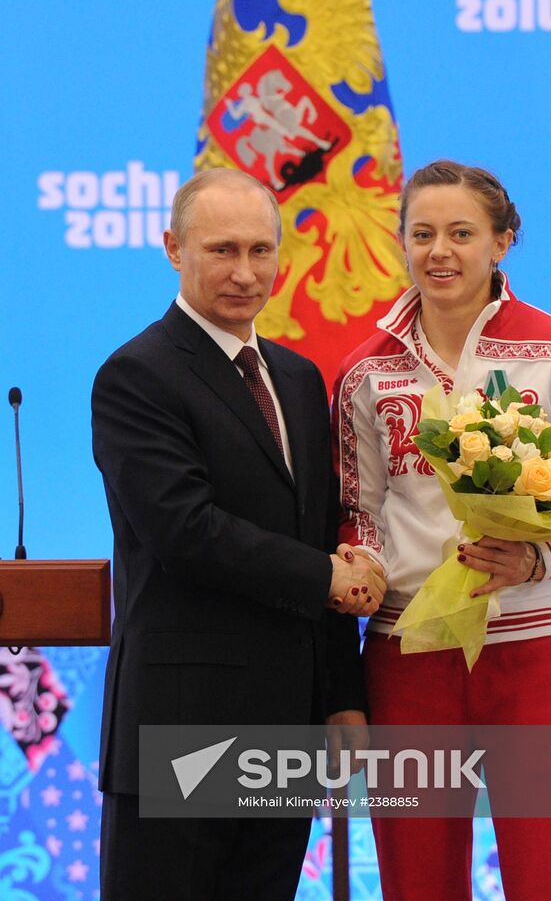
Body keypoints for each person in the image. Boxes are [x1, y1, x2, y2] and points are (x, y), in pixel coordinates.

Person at [332, 160, 551, 901]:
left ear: (501, 242)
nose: (439, 251)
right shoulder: (363, 373)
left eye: (461, 233)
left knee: (549, 877)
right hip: (407, 651)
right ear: (400, 242)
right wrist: (365, 562)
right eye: (422, 234)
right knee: (417, 879)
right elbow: (358, 508)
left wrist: (533, 562)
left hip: (533, 654)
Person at [92, 167, 386, 901]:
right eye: (221, 250)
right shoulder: (136, 375)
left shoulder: (295, 376)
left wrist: (342, 696)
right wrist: (327, 577)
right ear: (172, 249)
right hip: (180, 728)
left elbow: (320, 530)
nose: (244, 272)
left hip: (285, 733)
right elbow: (184, 531)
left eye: (261, 250)